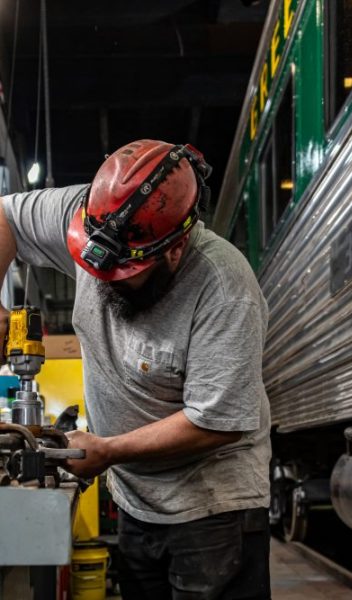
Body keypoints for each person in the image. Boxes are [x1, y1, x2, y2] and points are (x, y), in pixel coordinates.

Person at [0, 139, 272, 600]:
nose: (102, 282)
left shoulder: (224, 287)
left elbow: (216, 422)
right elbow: (5, 214)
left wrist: (108, 450)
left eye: (123, 272)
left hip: (211, 511)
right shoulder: (90, 214)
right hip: (135, 500)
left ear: (173, 249)